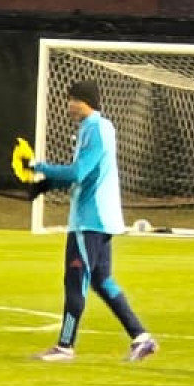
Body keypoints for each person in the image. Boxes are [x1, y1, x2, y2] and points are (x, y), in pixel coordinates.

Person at [29, 81, 159, 363]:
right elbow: (86, 174)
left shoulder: (97, 129)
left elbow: (79, 172)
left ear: (84, 101)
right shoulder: (94, 129)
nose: (68, 106)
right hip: (99, 219)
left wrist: (39, 168)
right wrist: (48, 184)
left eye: (72, 100)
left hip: (90, 221)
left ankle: (64, 346)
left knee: (75, 280)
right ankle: (141, 337)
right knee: (102, 280)